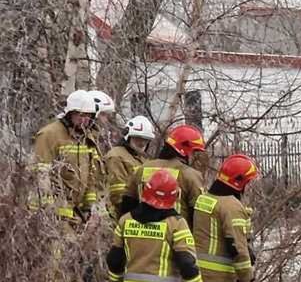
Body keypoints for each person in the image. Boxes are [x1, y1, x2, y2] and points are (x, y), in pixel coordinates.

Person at [192, 154, 258, 282]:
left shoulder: (205, 199)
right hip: (221, 280)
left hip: (201, 277)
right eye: (248, 182)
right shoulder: (231, 206)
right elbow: (238, 249)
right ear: (239, 182)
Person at [31, 90, 103, 223]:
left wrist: (88, 207)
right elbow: (41, 174)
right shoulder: (49, 134)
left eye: (88, 116)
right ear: (70, 113)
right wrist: (50, 208)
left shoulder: (85, 137)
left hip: (76, 212)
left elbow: (91, 175)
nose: (84, 120)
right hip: (51, 212)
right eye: (80, 115)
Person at [119, 124, 206, 226]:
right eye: (194, 152)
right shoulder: (190, 175)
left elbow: (127, 204)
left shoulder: (141, 169)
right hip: (175, 237)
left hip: (138, 236)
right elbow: (199, 216)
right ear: (184, 150)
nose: (194, 157)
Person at [104, 115, 153, 214]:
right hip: (120, 213)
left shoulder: (143, 159)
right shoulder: (116, 156)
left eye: (146, 139)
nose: (142, 143)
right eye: (138, 138)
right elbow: (117, 193)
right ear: (128, 137)